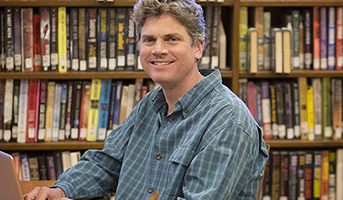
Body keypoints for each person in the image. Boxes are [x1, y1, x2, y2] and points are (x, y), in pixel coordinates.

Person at [24, 0, 269, 199]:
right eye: (149, 40)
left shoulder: (228, 120)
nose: (158, 49)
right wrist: (61, 190)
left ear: (198, 48)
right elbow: (105, 164)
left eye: (172, 39)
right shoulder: (152, 103)